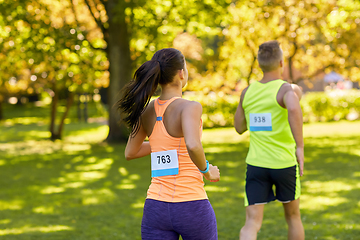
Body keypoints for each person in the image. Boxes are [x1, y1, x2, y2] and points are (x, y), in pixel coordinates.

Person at [118, 48, 221, 240]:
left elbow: (130, 152)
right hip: (191, 205)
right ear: (181, 73)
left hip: (156, 207)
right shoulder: (190, 107)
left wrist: (162, 144)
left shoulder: (146, 111)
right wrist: (207, 170)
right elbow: (193, 145)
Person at [234, 40, 305, 240]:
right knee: (293, 217)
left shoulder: (247, 92)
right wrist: (299, 147)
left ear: (259, 64)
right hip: (285, 164)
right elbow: (293, 105)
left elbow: (239, 127)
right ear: (281, 63)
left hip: (257, 165)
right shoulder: (285, 90)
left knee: (252, 222)